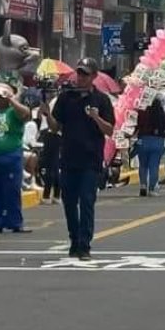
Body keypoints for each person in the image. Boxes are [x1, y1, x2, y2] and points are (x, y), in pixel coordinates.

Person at [49, 58, 114, 260]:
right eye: (80, 73)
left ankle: (84, 245)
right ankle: (74, 239)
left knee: (86, 202)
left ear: (94, 76)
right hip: (68, 158)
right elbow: (55, 127)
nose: (81, 77)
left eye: (86, 74)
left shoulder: (102, 100)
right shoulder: (66, 98)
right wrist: (46, 112)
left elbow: (110, 129)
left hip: (91, 160)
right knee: (69, 203)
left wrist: (96, 117)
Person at [0, 82, 33, 231]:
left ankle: (15, 222)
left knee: (12, 191)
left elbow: (26, 114)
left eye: (1, 95)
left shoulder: (13, 111)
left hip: (11, 156)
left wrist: (11, 99)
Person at [135, 81, 165, 197]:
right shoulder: (162, 114)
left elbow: (135, 125)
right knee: (154, 165)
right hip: (158, 141)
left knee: (143, 165)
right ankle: (152, 189)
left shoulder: (141, 112)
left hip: (143, 139)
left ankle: (143, 185)